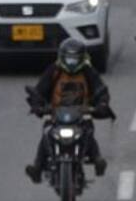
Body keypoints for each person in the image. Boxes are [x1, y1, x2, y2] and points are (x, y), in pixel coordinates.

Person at [25, 38, 111, 182]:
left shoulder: (88, 71)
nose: (72, 63)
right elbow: (39, 90)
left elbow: (100, 89)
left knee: (88, 131)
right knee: (46, 133)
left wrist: (101, 104)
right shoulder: (54, 71)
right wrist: (37, 105)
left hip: (82, 114)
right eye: (69, 59)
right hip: (56, 114)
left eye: (75, 59)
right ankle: (37, 168)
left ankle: (98, 160)